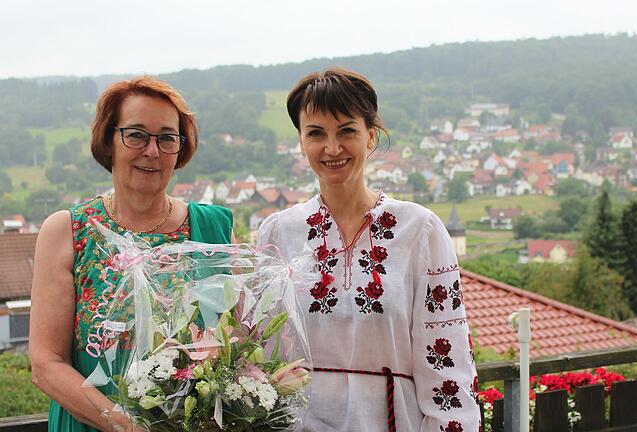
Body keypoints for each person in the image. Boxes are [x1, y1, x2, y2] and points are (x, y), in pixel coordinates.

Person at [257, 68, 480, 432]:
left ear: (370, 136)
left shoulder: (419, 230)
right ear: (300, 142)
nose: (332, 148)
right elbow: (261, 354)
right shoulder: (278, 232)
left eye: (346, 130)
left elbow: (447, 358)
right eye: (316, 133)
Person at [29, 76, 233, 432]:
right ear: (109, 141)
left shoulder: (214, 229)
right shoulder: (67, 232)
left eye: (167, 138)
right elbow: (46, 364)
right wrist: (126, 426)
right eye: (136, 134)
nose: (151, 151)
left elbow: (235, 344)